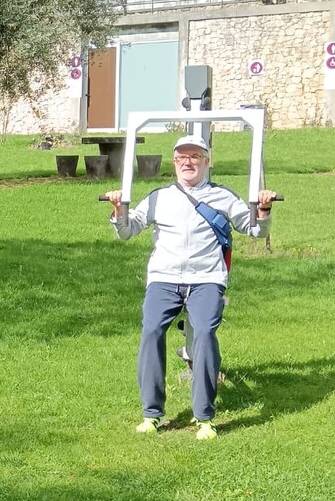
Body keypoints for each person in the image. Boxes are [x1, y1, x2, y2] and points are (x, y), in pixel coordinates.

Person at [103, 135, 275, 439]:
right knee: (151, 331)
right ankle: (151, 413)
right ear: (174, 163)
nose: (188, 162)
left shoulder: (222, 196)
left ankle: (204, 416)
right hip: (164, 278)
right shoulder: (159, 197)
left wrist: (263, 210)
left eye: (195, 156)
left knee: (205, 335)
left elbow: (254, 230)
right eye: (182, 157)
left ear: (206, 161)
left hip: (206, 278)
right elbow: (128, 230)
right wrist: (118, 211)